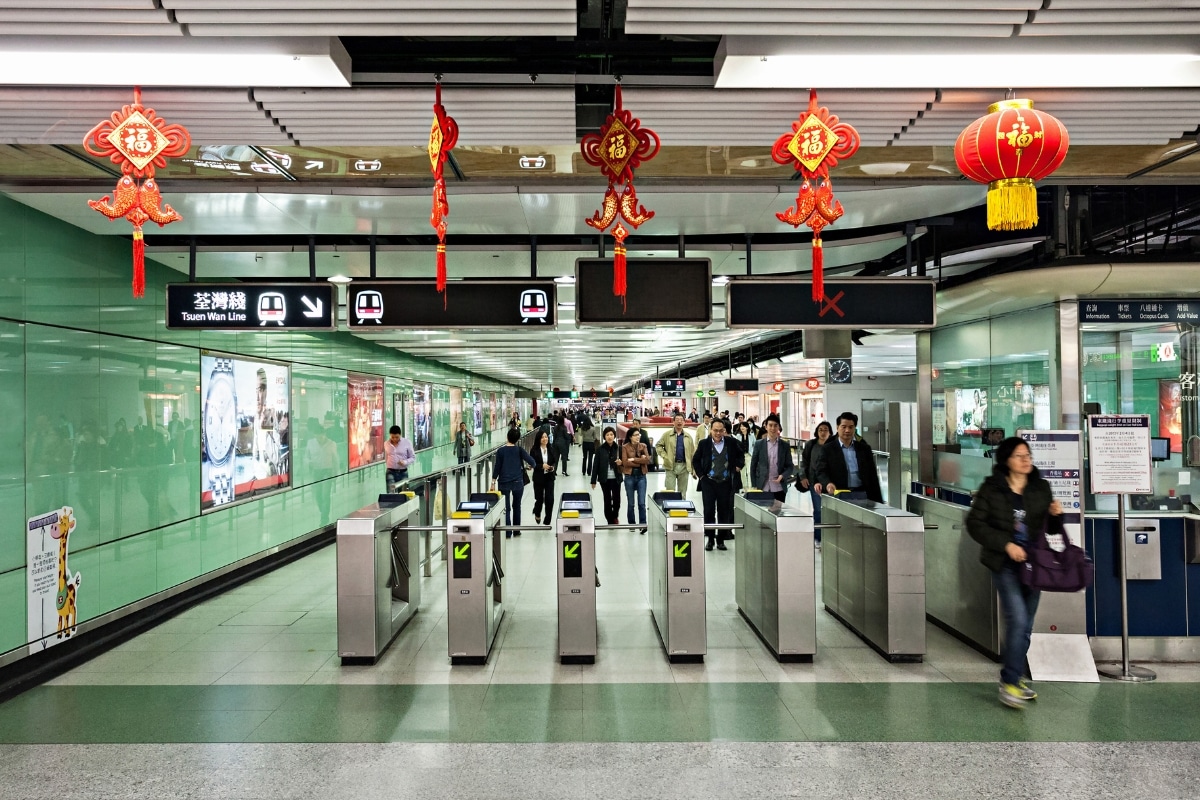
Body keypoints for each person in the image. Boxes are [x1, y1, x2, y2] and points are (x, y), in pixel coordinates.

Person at [966, 437, 1063, 708]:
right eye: (1019, 455)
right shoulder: (992, 488)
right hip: (1004, 563)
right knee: (1018, 619)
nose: (1026, 459)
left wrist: (1056, 515)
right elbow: (975, 524)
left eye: (1028, 455)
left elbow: (1051, 530)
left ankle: (1015, 676)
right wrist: (1006, 544)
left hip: (1035, 565)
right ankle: (1009, 682)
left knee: (1026, 625)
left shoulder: (1040, 487)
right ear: (1007, 460)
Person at [692, 418, 744, 551]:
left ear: (724, 431)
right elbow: (696, 460)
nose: (718, 433)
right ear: (711, 430)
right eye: (715, 430)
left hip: (725, 483)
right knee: (709, 511)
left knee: (724, 511)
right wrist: (701, 476)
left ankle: (721, 539)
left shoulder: (731, 442)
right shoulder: (704, 444)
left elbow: (741, 455)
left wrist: (738, 466)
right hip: (708, 482)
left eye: (721, 430)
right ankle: (710, 538)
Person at [814, 412, 883, 502]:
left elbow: (872, 475)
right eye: (844, 427)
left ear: (855, 428)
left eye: (851, 427)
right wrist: (828, 483)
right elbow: (821, 471)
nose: (847, 430)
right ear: (837, 427)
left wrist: (878, 500)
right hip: (839, 494)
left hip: (862, 493)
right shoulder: (828, 449)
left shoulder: (864, 449)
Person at [490, 427, 536, 536]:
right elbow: (532, 462)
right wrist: (529, 466)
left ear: (507, 437)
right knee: (517, 506)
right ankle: (516, 530)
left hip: (504, 483)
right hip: (518, 482)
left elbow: (497, 467)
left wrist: (493, 482)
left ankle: (507, 532)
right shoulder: (519, 450)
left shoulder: (501, 451)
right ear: (517, 439)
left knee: (506, 508)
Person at [797, 421, 834, 543]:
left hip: (830, 483)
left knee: (830, 510)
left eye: (826, 430)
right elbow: (804, 461)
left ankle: (830, 537)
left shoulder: (833, 446)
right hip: (814, 481)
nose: (823, 432)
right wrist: (803, 476)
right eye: (821, 430)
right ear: (817, 432)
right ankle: (818, 537)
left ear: (830, 432)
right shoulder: (811, 445)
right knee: (818, 509)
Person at [750, 414, 795, 502]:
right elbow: (753, 466)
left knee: (777, 513)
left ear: (779, 427)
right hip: (762, 486)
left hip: (779, 487)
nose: (773, 428)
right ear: (766, 427)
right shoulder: (759, 444)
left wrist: (783, 476)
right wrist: (754, 485)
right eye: (770, 425)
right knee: (763, 514)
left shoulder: (784, 445)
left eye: (775, 425)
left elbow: (790, 466)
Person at [656, 412, 696, 496]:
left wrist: (693, 469)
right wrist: (665, 456)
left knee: (682, 493)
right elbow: (658, 446)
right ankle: (670, 508)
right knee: (670, 491)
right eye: (677, 420)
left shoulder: (688, 437)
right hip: (671, 466)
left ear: (684, 422)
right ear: (673, 422)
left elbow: (692, 453)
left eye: (681, 420)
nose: (679, 422)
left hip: (684, 467)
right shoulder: (667, 435)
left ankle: (682, 508)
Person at [305, 418, 338, 522]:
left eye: (321, 437)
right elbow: (306, 457)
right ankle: (322, 511)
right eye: (317, 437)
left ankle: (324, 517)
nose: (320, 439)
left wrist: (335, 474)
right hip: (316, 471)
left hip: (328, 471)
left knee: (325, 494)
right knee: (318, 494)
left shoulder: (332, 444)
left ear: (324, 434)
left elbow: (336, 460)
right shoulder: (310, 443)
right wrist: (309, 462)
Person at [590, 427, 624, 525]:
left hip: (616, 478)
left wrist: (621, 463)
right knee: (607, 499)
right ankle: (609, 519)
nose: (609, 437)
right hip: (604, 479)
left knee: (617, 500)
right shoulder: (600, 449)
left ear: (614, 436)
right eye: (607, 435)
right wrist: (593, 480)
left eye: (611, 434)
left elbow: (624, 463)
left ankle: (615, 515)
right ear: (604, 436)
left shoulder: (618, 448)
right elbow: (595, 465)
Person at [620, 428, 651, 531]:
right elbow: (625, 462)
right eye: (635, 435)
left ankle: (643, 524)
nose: (638, 436)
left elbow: (647, 460)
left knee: (642, 502)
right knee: (631, 503)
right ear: (630, 437)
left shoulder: (643, 446)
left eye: (639, 435)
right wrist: (640, 461)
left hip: (642, 476)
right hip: (629, 476)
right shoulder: (625, 447)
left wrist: (633, 459)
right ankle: (632, 524)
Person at [530, 428, 558, 525]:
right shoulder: (534, 450)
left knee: (550, 498)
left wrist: (553, 468)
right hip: (539, 477)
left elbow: (554, 461)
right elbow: (533, 464)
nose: (545, 439)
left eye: (546, 437)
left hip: (549, 477)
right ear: (538, 439)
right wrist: (541, 466)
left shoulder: (551, 449)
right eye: (542, 437)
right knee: (539, 498)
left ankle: (548, 519)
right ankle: (537, 512)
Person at [384, 425, 415, 490]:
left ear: (400, 435)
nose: (394, 439)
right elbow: (386, 457)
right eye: (392, 437)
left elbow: (412, 457)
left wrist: (405, 462)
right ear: (390, 435)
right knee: (391, 493)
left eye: (397, 437)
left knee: (403, 493)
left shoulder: (407, 442)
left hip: (403, 472)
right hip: (390, 471)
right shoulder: (386, 444)